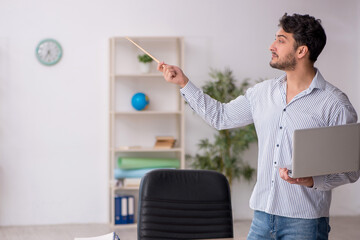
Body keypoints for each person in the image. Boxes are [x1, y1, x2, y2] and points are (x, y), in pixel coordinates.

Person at [157, 13, 359, 239]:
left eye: (281, 40)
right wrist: (184, 83)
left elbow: (351, 170)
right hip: (261, 218)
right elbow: (220, 117)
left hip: (305, 222)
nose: (272, 46)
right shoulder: (262, 93)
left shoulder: (335, 104)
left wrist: (313, 181)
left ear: (301, 51)